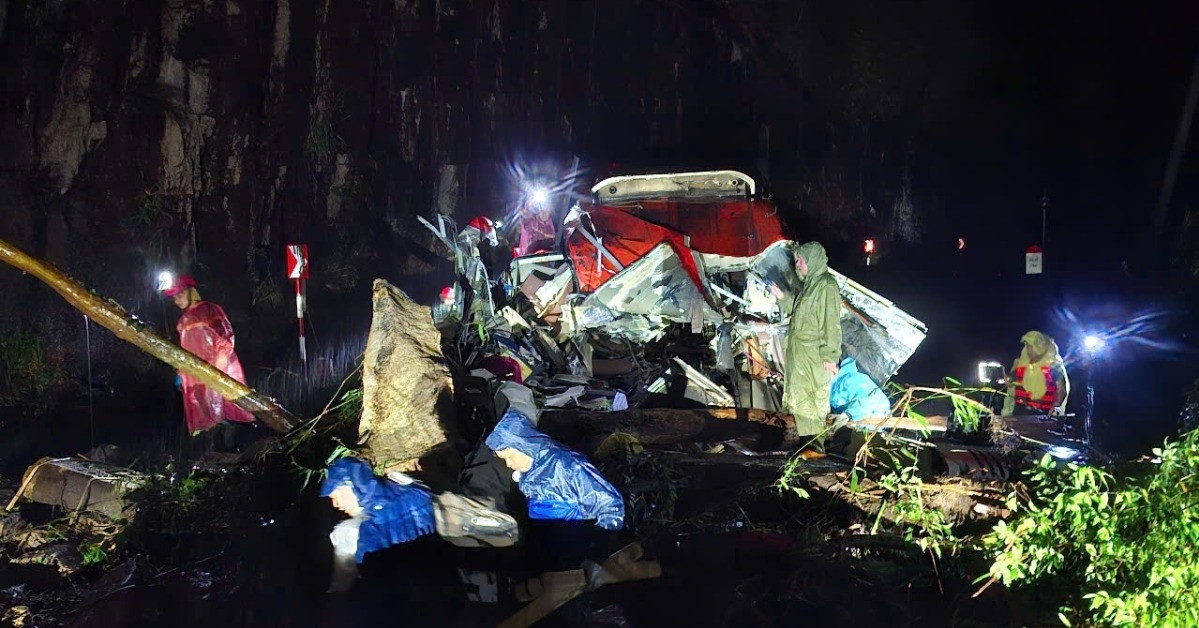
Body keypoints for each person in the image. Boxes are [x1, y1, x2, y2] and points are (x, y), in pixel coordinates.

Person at [161, 274, 257, 453]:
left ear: (191, 292)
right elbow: (186, 349)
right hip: (195, 376)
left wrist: (219, 365)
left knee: (224, 411)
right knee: (202, 417)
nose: (176, 300)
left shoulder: (209, 309)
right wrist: (181, 373)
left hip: (216, 369)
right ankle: (206, 455)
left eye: (179, 295)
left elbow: (225, 335)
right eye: (174, 297)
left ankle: (230, 451)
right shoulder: (183, 321)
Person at [782, 242, 843, 447]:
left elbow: (831, 322)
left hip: (813, 358)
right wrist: (782, 299)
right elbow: (800, 317)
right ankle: (806, 450)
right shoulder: (809, 287)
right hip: (801, 358)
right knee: (801, 404)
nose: (797, 264)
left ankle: (815, 452)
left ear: (812, 260)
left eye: (800, 260)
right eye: (797, 260)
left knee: (813, 404)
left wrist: (830, 356)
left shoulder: (826, 284)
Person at [1002, 330, 1070, 416]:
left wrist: (1056, 405)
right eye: (1027, 346)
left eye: (1031, 346)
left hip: (1042, 414)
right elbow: (1011, 380)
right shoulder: (1022, 364)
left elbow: (1061, 389)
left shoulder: (1053, 367)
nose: (1028, 349)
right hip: (1020, 412)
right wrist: (1007, 379)